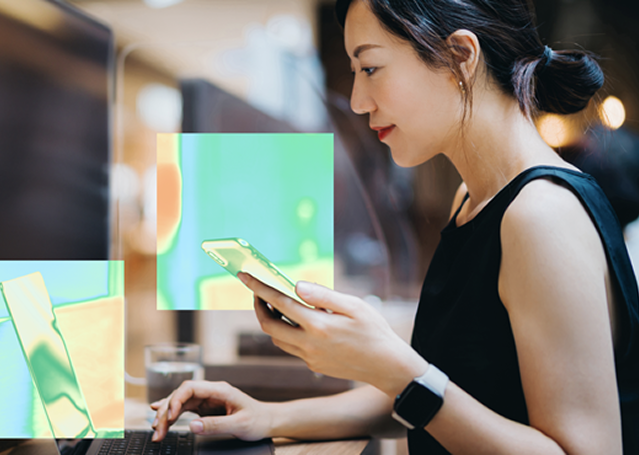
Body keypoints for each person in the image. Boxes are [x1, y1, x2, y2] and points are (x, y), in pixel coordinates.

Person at [150, 0, 639, 453]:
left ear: (460, 56)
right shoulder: (472, 199)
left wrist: (397, 368)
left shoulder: (541, 216)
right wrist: (266, 415)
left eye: (370, 68)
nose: (359, 100)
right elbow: (442, 392)